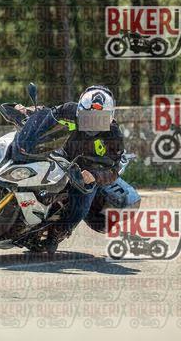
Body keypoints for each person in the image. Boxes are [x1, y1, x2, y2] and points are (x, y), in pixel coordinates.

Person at [16, 85, 125, 253]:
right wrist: (28, 111)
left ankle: (58, 232)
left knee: (82, 202)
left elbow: (115, 168)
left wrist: (95, 176)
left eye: (100, 119)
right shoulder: (69, 110)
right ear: (79, 110)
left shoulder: (114, 135)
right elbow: (49, 113)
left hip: (85, 172)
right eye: (88, 117)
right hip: (59, 155)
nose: (93, 123)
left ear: (110, 118)